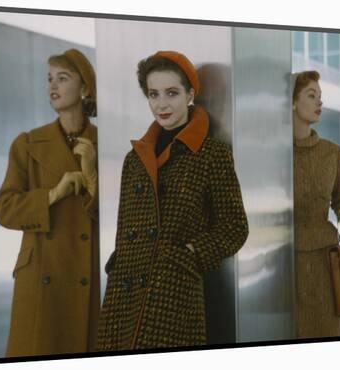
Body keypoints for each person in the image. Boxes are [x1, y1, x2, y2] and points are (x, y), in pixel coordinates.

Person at [96, 51, 249, 350]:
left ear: (190, 94)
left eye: (171, 93)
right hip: (125, 291)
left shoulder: (211, 153)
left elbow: (235, 226)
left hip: (174, 290)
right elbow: (126, 226)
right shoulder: (134, 159)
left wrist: (190, 255)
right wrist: (118, 264)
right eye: (153, 94)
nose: (161, 104)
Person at [0, 48, 99, 356]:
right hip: (40, 272)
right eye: (49, 79)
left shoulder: (104, 145)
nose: (52, 86)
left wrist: (92, 179)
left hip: (87, 271)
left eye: (62, 78)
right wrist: (53, 194)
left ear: (85, 88)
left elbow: (124, 217)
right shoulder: (27, 143)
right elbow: (4, 207)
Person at [292, 70, 340, 338]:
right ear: (293, 102)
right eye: (311, 95)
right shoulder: (273, 153)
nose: (320, 102)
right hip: (283, 265)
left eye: (320, 96)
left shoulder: (332, 152)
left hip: (325, 262)